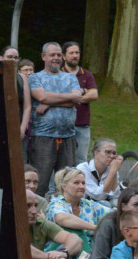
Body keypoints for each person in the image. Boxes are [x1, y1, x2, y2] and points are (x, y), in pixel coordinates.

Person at [29, 42, 82, 194]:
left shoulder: (71, 78)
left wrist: (49, 103)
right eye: (52, 55)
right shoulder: (35, 77)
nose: (56, 58)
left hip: (68, 138)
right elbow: (41, 96)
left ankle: (63, 216)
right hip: (43, 138)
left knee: (68, 184)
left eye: (59, 55)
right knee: (40, 183)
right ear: (43, 57)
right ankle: (37, 215)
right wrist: (68, 98)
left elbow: (78, 99)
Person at [46, 167, 108, 253]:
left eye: (83, 183)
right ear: (64, 187)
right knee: (75, 231)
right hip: (59, 253)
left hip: (88, 252)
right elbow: (63, 219)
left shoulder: (89, 205)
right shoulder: (56, 203)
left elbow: (111, 214)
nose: (81, 186)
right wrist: (95, 227)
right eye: (76, 183)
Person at [62, 41, 99, 165]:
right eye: (71, 53)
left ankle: (79, 184)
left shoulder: (87, 74)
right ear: (64, 56)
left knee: (81, 160)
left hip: (82, 125)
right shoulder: (59, 74)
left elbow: (94, 94)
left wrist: (74, 99)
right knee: (60, 159)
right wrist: (82, 92)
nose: (75, 55)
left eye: (77, 53)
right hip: (62, 125)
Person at [77, 138, 123, 207]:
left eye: (114, 153)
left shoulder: (112, 168)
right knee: (106, 205)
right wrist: (112, 171)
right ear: (96, 153)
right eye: (108, 152)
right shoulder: (83, 169)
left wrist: (114, 171)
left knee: (119, 204)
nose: (112, 156)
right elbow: (97, 196)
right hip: (83, 204)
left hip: (102, 202)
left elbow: (115, 195)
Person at [12, 52, 32, 162]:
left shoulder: (21, 80)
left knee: (21, 162)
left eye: (15, 58)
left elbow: (27, 106)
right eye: (9, 57)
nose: (13, 60)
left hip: (22, 129)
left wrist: (22, 128)